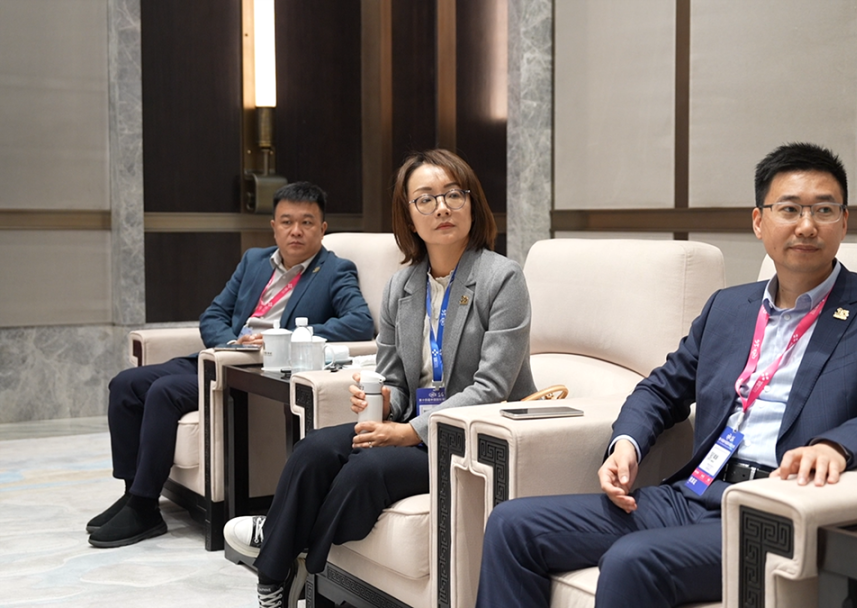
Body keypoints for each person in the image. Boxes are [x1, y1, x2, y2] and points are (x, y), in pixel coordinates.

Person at [475, 143, 857, 608]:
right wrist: (626, 445)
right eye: (789, 209)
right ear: (759, 221)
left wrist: (835, 446)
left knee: (632, 560)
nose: (806, 225)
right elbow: (662, 389)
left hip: (777, 505)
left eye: (824, 209)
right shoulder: (729, 307)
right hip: (695, 491)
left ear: (844, 221)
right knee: (513, 526)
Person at [223, 149, 537, 608]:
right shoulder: (401, 286)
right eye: (425, 199)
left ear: (473, 204)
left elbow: (491, 388)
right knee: (314, 450)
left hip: (471, 438)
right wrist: (386, 398)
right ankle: (277, 568)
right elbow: (394, 377)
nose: (442, 208)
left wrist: (409, 432)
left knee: (366, 470)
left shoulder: (502, 278)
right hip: (412, 422)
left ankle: (279, 554)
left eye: (453, 194)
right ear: (408, 216)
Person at [88, 182, 374, 548]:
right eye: (287, 222)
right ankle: (134, 495)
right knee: (125, 385)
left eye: (307, 222)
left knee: (164, 392)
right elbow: (214, 314)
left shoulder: (334, 270)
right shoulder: (254, 261)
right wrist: (229, 343)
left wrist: (283, 337)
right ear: (274, 226)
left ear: (323, 228)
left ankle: (144, 507)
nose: (296, 231)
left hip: (254, 371)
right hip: (220, 357)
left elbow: (359, 323)